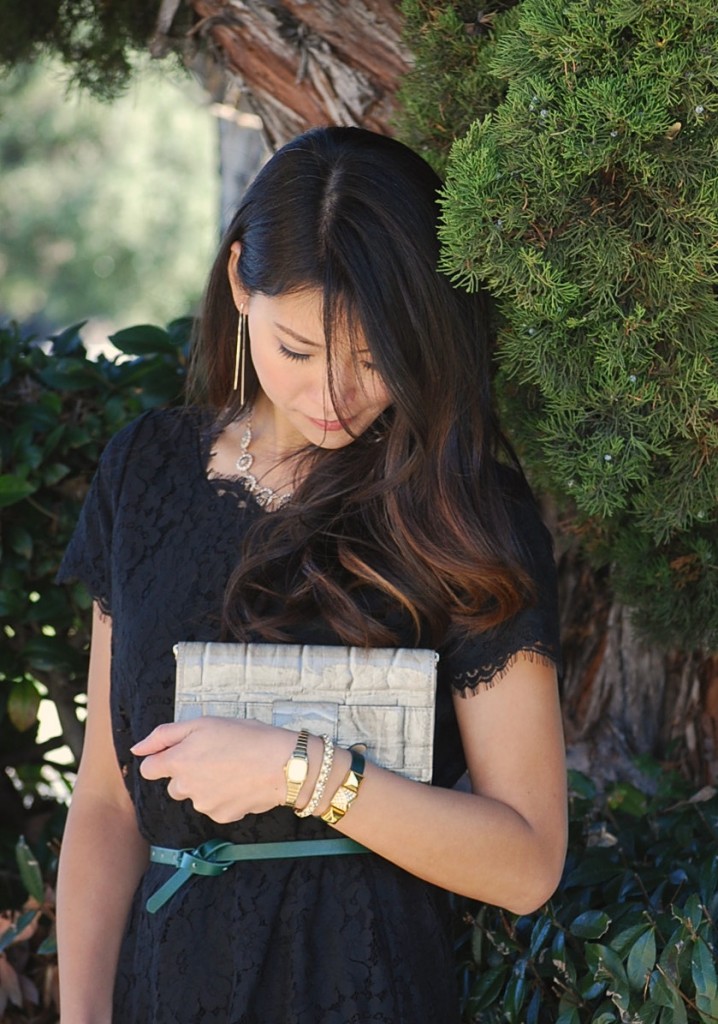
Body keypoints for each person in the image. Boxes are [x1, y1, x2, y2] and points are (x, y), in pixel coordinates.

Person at [56, 126, 567, 1024]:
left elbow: (526, 863)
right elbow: (104, 803)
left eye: (376, 362)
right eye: (297, 350)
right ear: (237, 285)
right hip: (168, 989)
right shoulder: (145, 473)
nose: (333, 397)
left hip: (370, 988)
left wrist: (304, 771)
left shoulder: (460, 504)